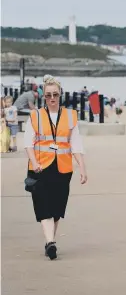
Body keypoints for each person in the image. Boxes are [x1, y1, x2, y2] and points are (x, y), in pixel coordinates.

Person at [23, 75, 88, 260]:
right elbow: (28, 142)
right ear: (43, 96)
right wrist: (34, 162)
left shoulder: (70, 115)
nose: (52, 98)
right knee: (43, 206)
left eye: (55, 95)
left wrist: (82, 168)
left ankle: (49, 241)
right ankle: (51, 242)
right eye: (48, 95)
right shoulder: (35, 116)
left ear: (60, 95)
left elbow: (76, 144)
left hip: (63, 168)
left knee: (57, 208)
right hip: (40, 167)